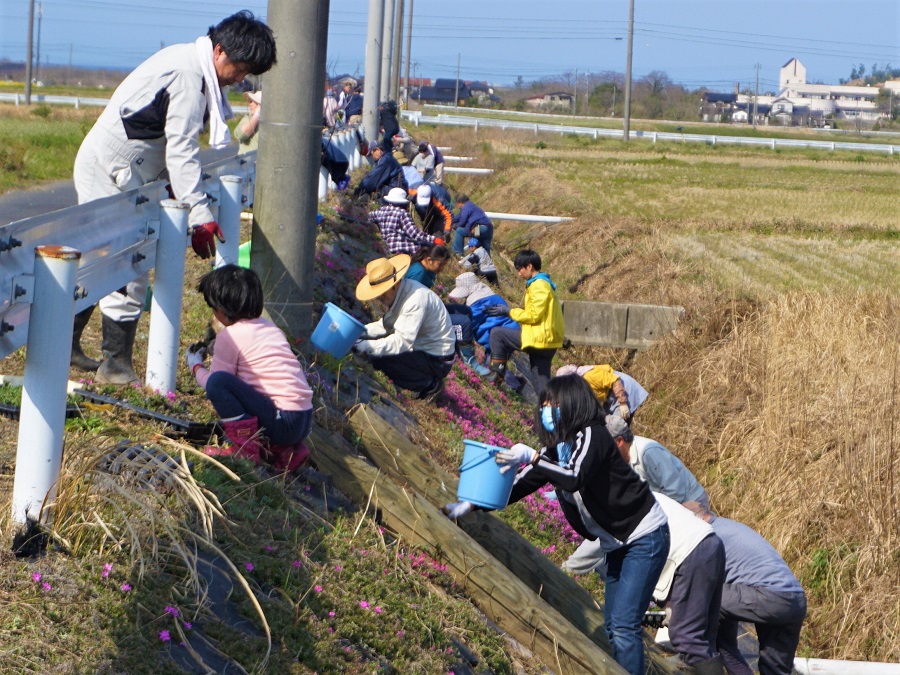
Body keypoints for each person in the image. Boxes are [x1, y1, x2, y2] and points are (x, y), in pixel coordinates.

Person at [71, 11, 277, 384]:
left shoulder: (194, 68)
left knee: (105, 260)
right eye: (242, 68)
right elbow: (181, 150)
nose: (241, 78)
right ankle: (114, 364)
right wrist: (200, 215)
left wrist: (178, 189)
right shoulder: (188, 76)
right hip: (109, 172)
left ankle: (72, 345)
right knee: (123, 264)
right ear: (220, 51)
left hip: (129, 172)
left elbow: (171, 147)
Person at [443, 375, 669, 675]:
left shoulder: (593, 434)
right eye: (545, 405)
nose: (548, 410)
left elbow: (574, 476)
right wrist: (474, 502)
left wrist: (534, 457)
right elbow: (523, 484)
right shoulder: (560, 448)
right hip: (618, 544)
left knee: (625, 626)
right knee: (615, 626)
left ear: (575, 403)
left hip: (644, 535)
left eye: (555, 404)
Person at [564, 493, 726, 675]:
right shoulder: (627, 485)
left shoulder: (605, 496)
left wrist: (567, 569)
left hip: (690, 549)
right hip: (709, 541)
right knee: (704, 635)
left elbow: (593, 547)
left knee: (686, 635)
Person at [185, 265, 313, 472]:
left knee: (218, 383)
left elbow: (215, 383)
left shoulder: (230, 337)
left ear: (221, 310)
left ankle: (245, 448)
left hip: (282, 421)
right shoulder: (271, 328)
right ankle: (284, 451)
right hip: (303, 420)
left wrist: (195, 365)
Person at [687, 503, 807, 675]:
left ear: (695, 520)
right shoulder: (729, 526)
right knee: (775, 670)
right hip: (796, 600)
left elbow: (697, 584)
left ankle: (711, 660)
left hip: (770, 596)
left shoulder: (708, 535)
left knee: (706, 599)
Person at [352, 254, 456, 401]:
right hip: (422, 347)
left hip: (437, 358)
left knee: (380, 359)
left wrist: (365, 346)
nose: (379, 297)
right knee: (378, 348)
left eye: (383, 291)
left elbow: (402, 342)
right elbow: (384, 326)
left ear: (397, 283)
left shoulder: (415, 299)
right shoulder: (402, 294)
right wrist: (356, 333)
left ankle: (429, 384)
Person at [485, 249, 564, 393]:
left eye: (520, 269)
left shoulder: (539, 285)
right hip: (547, 342)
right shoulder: (543, 284)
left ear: (529, 266)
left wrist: (508, 311)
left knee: (497, 334)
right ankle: (548, 411)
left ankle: (497, 375)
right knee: (541, 383)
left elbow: (534, 314)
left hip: (539, 339)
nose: (519, 273)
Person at [406, 246, 491, 377]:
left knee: (464, 311)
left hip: (426, 307)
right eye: (440, 265)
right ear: (429, 260)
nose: (442, 269)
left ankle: (458, 349)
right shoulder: (419, 273)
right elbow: (410, 301)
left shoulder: (427, 269)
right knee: (462, 322)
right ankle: (469, 360)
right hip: (417, 314)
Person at [605, 415, 710, 509]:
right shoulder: (623, 460)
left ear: (619, 441)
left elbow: (675, 490)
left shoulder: (648, 452)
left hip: (691, 502)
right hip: (674, 507)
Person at [447, 272, 518, 366]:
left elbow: (468, 323)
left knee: (492, 367)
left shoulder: (478, 303)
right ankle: (516, 380)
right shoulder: (490, 296)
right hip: (509, 333)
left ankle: (511, 380)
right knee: (496, 366)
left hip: (500, 339)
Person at [556, 364, 648, 423]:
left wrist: (623, 403)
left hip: (624, 390)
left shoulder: (590, 376)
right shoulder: (578, 385)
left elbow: (615, 381)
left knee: (616, 425)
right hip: (610, 396)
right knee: (603, 423)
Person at [368, 187, 442, 255]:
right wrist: (434, 239)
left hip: (386, 245)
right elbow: (414, 233)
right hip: (402, 247)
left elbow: (367, 217)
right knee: (426, 249)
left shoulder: (380, 211)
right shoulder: (402, 213)